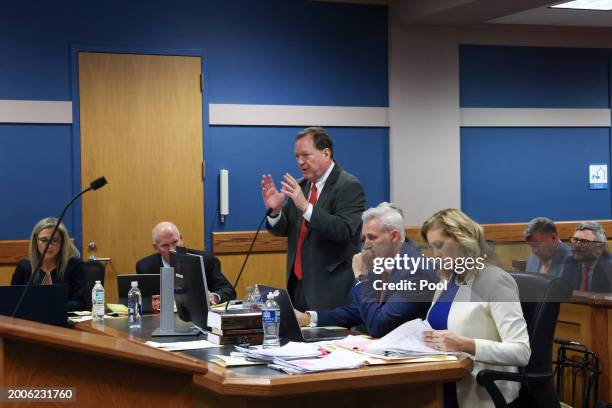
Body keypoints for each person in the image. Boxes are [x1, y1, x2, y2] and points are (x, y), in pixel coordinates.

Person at [421, 209, 530, 408]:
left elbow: (521, 351)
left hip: (478, 393)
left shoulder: (495, 281)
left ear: (463, 240)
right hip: (440, 382)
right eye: (431, 247)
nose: (435, 254)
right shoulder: (447, 279)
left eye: (439, 245)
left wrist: (466, 344)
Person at [261, 127, 365, 311]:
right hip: (296, 285)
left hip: (329, 290)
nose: (300, 161)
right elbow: (284, 229)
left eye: (306, 155)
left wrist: (306, 207)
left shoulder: (348, 185)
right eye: (297, 156)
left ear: (326, 153)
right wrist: (276, 211)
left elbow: (344, 231)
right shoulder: (301, 186)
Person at [294, 203, 434, 337]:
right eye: (364, 238)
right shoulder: (380, 262)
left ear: (394, 236)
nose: (366, 245)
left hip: (410, 355)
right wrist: (308, 318)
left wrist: (362, 278)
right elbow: (357, 311)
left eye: (372, 237)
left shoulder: (416, 272)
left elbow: (379, 325)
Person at [135, 221, 235, 304]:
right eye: (165, 245)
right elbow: (142, 301)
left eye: (175, 242)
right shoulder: (145, 267)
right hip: (161, 320)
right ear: (156, 247)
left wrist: (214, 297)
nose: (172, 249)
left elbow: (229, 291)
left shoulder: (205, 260)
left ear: (181, 239)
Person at [11, 217, 87, 311]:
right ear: (35, 241)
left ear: (62, 242)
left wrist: (46, 306)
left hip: (63, 322)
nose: (49, 245)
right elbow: (13, 302)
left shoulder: (74, 266)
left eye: (54, 240)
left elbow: (80, 304)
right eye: (44, 240)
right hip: (30, 322)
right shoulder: (24, 267)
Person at [561, 222, 612, 293]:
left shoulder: (609, 267)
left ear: (600, 247)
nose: (577, 245)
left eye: (584, 241)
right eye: (575, 240)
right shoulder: (570, 263)